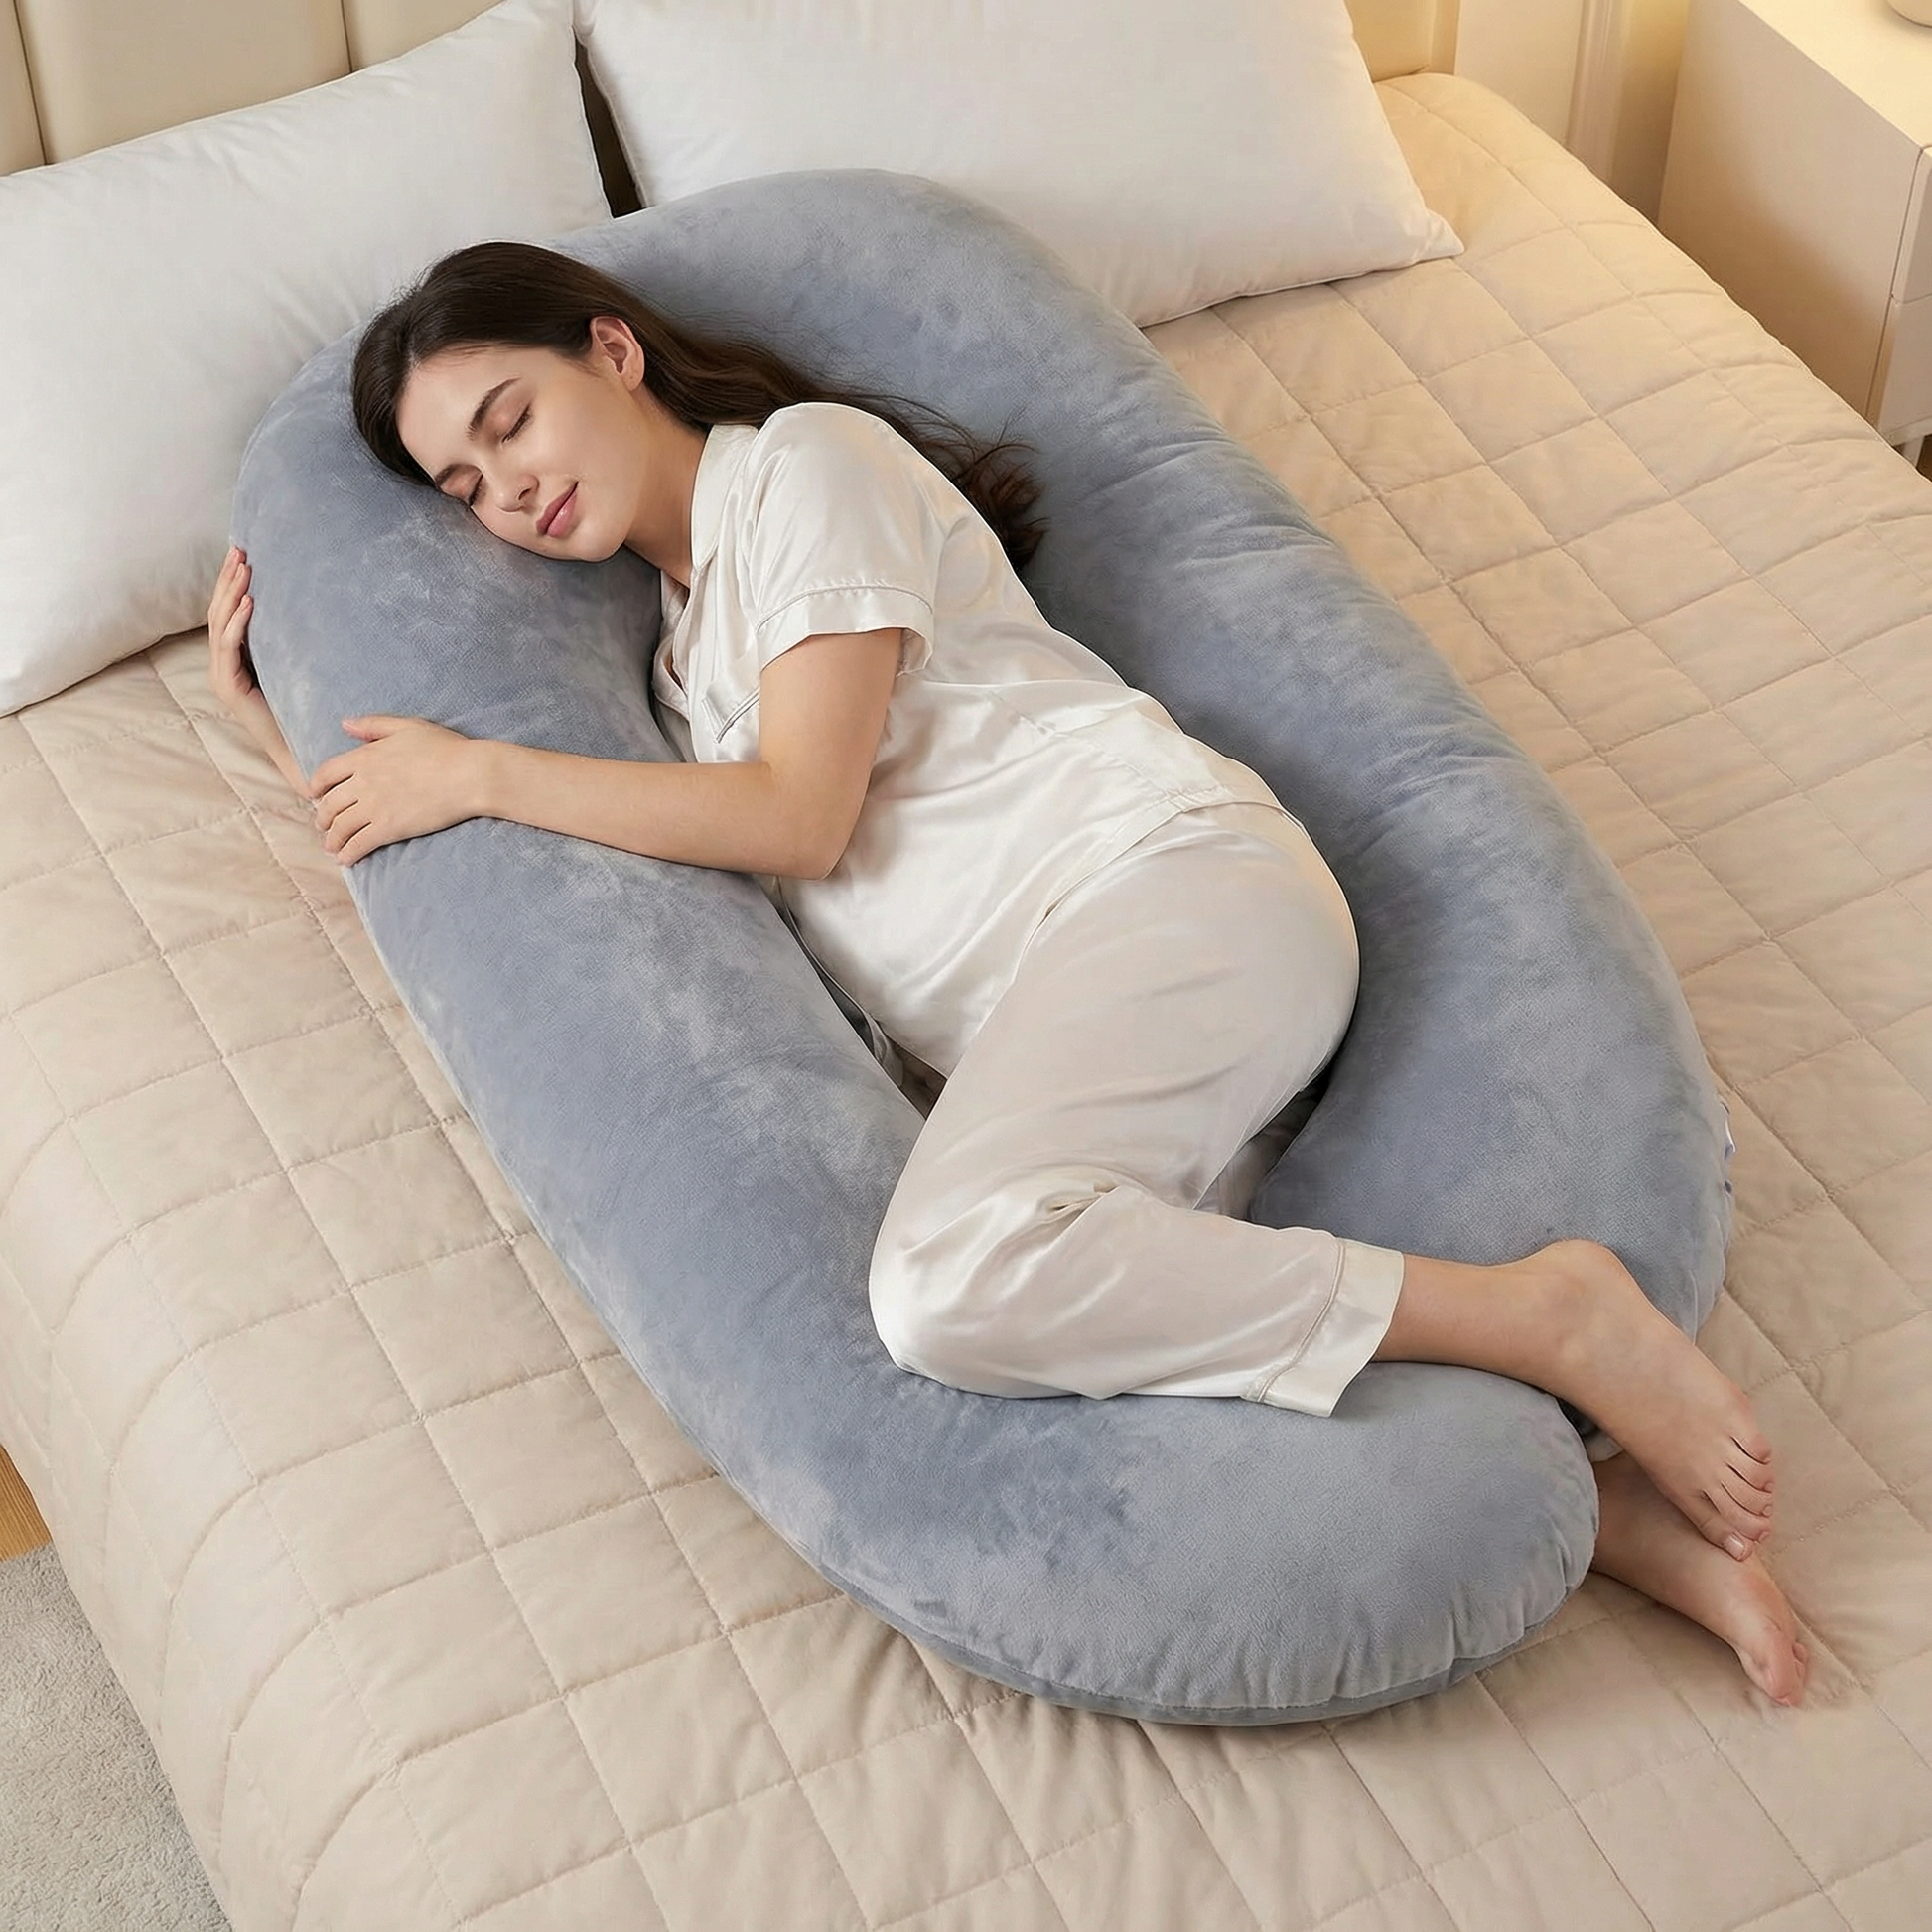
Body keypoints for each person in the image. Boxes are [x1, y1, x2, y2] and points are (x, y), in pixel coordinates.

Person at [207, 240, 1806, 1706]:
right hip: (1080, 1030)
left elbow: (800, 815)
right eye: (465, 483)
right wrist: (294, 728)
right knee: (1164, 1337)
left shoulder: (807, 475)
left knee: (942, 1284)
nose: (509, 490)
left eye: (512, 418)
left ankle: (1554, 1311)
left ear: (612, 354)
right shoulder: (682, 676)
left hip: (1168, 890)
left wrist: (484, 773)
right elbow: (570, 880)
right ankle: (1595, 1510)